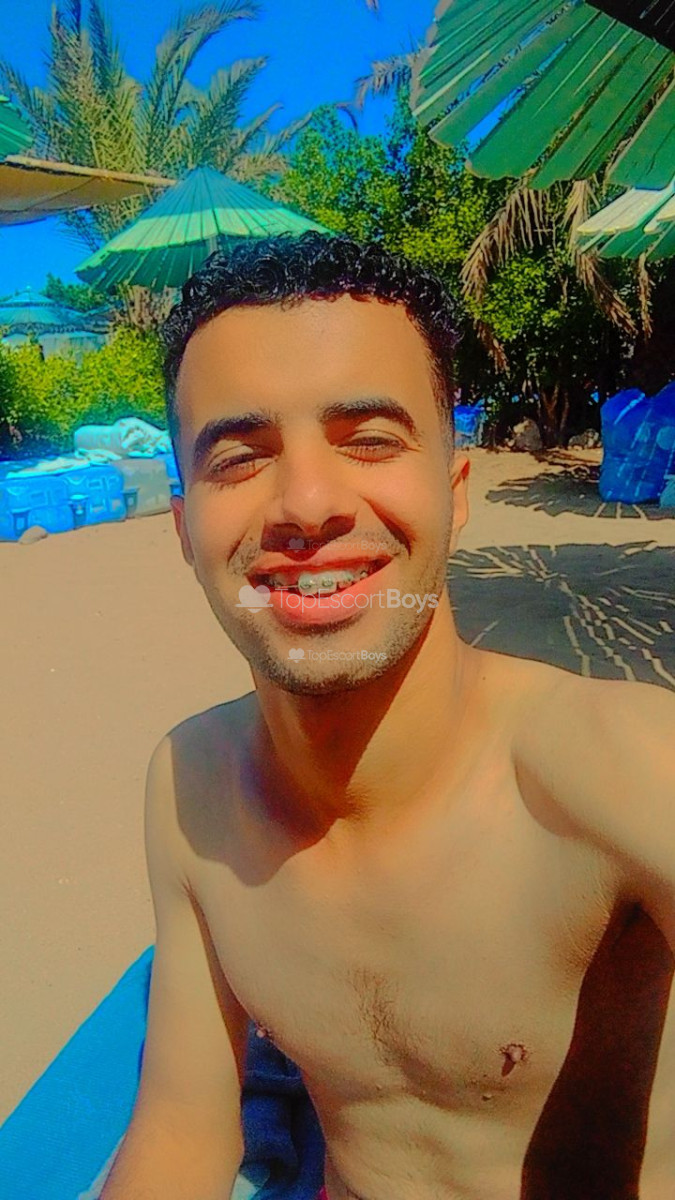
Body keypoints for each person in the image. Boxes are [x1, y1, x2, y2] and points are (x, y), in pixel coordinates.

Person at [101, 233, 675, 1200]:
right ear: (184, 526)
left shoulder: (618, 766)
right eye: (239, 458)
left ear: (454, 493)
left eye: (369, 440)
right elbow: (182, 1135)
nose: (307, 504)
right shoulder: (191, 783)